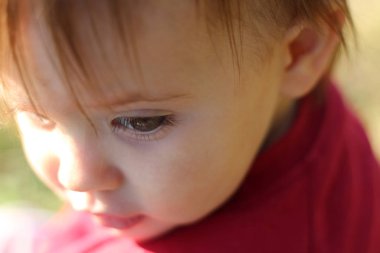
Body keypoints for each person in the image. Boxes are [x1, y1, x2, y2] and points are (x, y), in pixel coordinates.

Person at [0, 0, 379, 252]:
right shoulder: (276, 101)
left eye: (140, 121)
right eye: (37, 113)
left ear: (297, 54)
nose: (76, 175)